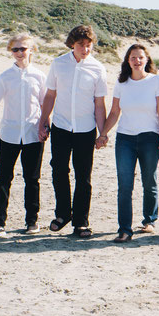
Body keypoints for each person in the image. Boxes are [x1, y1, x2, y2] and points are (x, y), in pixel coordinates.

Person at [38, 25, 108, 239]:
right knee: (59, 171)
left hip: (85, 129)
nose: (85, 50)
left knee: (83, 177)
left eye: (89, 46)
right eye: (81, 45)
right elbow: (50, 95)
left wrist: (102, 132)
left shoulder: (97, 68)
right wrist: (43, 121)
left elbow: (99, 103)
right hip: (61, 126)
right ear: (72, 44)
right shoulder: (59, 64)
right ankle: (62, 214)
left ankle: (81, 221)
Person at [0, 33, 48, 238]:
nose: (18, 53)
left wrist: (45, 126)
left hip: (33, 134)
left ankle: (32, 221)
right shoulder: (5, 77)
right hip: (9, 134)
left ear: (31, 50)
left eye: (22, 49)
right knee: (3, 178)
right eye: (14, 49)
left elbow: (44, 105)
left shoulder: (40, 76)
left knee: (32, 178)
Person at [101, 43, 159, 243]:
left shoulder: (156, 81)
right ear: (127, 61)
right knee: (124, 185)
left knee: (150, 180)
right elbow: (114, 112)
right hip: (125, 139)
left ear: (147, 60)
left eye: (140, 57)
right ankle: (124, 229)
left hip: (149, 137)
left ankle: (149, 220)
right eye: (133, 57)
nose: (137, 61)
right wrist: (103, 133)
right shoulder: (122, 83)